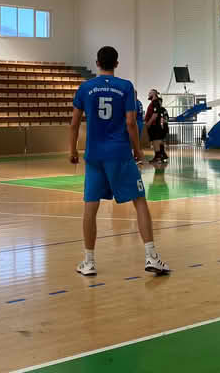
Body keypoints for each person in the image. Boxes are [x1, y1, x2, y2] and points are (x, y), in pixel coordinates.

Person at [69, 46, 168, 277]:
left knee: (90, 207)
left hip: (95, 155)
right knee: (139, 201)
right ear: (116, 63)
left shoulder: (85, 88)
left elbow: (74, 124)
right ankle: (151, 257)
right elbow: (131, 123)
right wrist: (138, 150)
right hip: (120, 154)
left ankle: (89, 262)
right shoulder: (125, 87)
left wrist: (72, 150)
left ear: (97, 63)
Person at [146, 94, 168, 164]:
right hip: (160, 127)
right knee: (159, 141)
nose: (158, 103)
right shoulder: (158, 109)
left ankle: (159, 156)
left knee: (157, 141)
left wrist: (162, 124)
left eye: (159, 102)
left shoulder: (162, 109)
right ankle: (163, 155)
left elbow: (165, 119)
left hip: (161, 128)